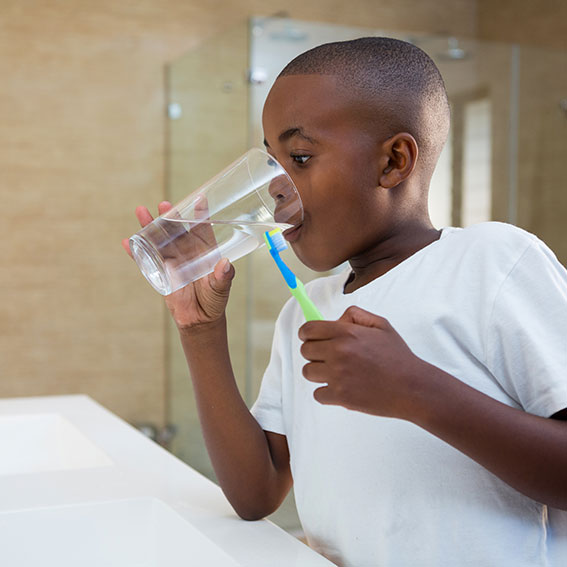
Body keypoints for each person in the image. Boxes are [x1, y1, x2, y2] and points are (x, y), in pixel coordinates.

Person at [124, 37, 567, 567]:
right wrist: (200, 330)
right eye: (270, 165)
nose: (276, 191)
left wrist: (415, 390)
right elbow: (255, 493)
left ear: (394, 162)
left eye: (301, 158)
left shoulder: (491, 261)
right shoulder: (306, 309)